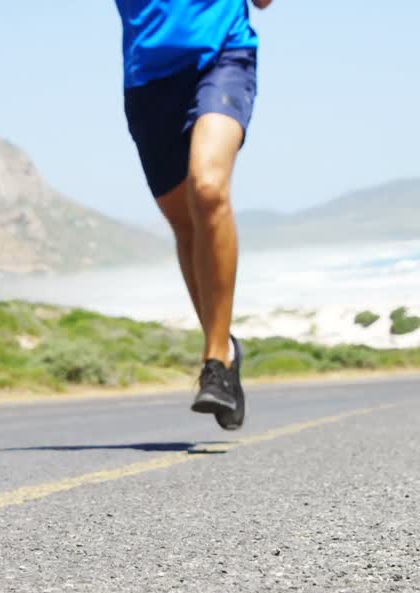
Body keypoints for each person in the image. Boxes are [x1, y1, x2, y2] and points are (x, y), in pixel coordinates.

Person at [115, 0, 272, 430]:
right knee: (186, 224)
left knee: (207, 190)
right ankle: (223, 349)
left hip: (223, 56)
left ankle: (215, 363)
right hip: (148, 79)